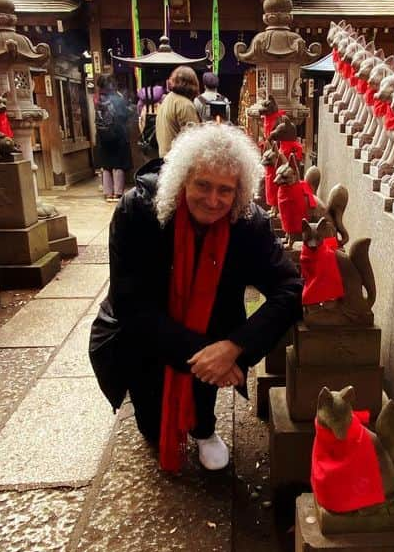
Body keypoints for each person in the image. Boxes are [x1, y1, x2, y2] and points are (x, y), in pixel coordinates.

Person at [89, 124, 302, 472]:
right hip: (145, 334)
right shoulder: (138, 210)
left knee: (210, 357)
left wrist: (235, 347)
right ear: (183, 179)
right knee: (155, 432)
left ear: (240, 192)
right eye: (202, 185)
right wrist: (211, 356)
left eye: (225, 190)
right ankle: (161, 410)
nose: (213, 200)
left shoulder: (248, 224)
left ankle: (204, 427)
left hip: (212, 325)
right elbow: (131, 304)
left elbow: (290, 289)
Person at [93, 75, 132, 202]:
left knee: (106, 165)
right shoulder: (117, 99)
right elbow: (124, 115)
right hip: (117, 135)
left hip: (102, 136)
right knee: (118, 165)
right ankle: (118, 193)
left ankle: (108, 193)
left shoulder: (97, 99)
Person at [155, 65, 201, 156]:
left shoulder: (168, 98)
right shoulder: (185, 104)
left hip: (165, 157)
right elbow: (194, 140)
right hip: (179, 162)